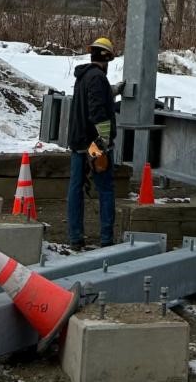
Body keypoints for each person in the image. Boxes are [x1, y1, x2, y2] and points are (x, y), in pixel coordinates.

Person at [66, 35, 117, 251]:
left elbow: (91, 101)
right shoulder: (98, 78)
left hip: (79, 141)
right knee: (105, 189)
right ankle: (106, 238)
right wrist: (103, 140)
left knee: (76, 189)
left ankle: (75, 237)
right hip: (94, 144)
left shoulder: (84, 76)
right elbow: (96, 110)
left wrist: (112, 91)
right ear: (107, 59)